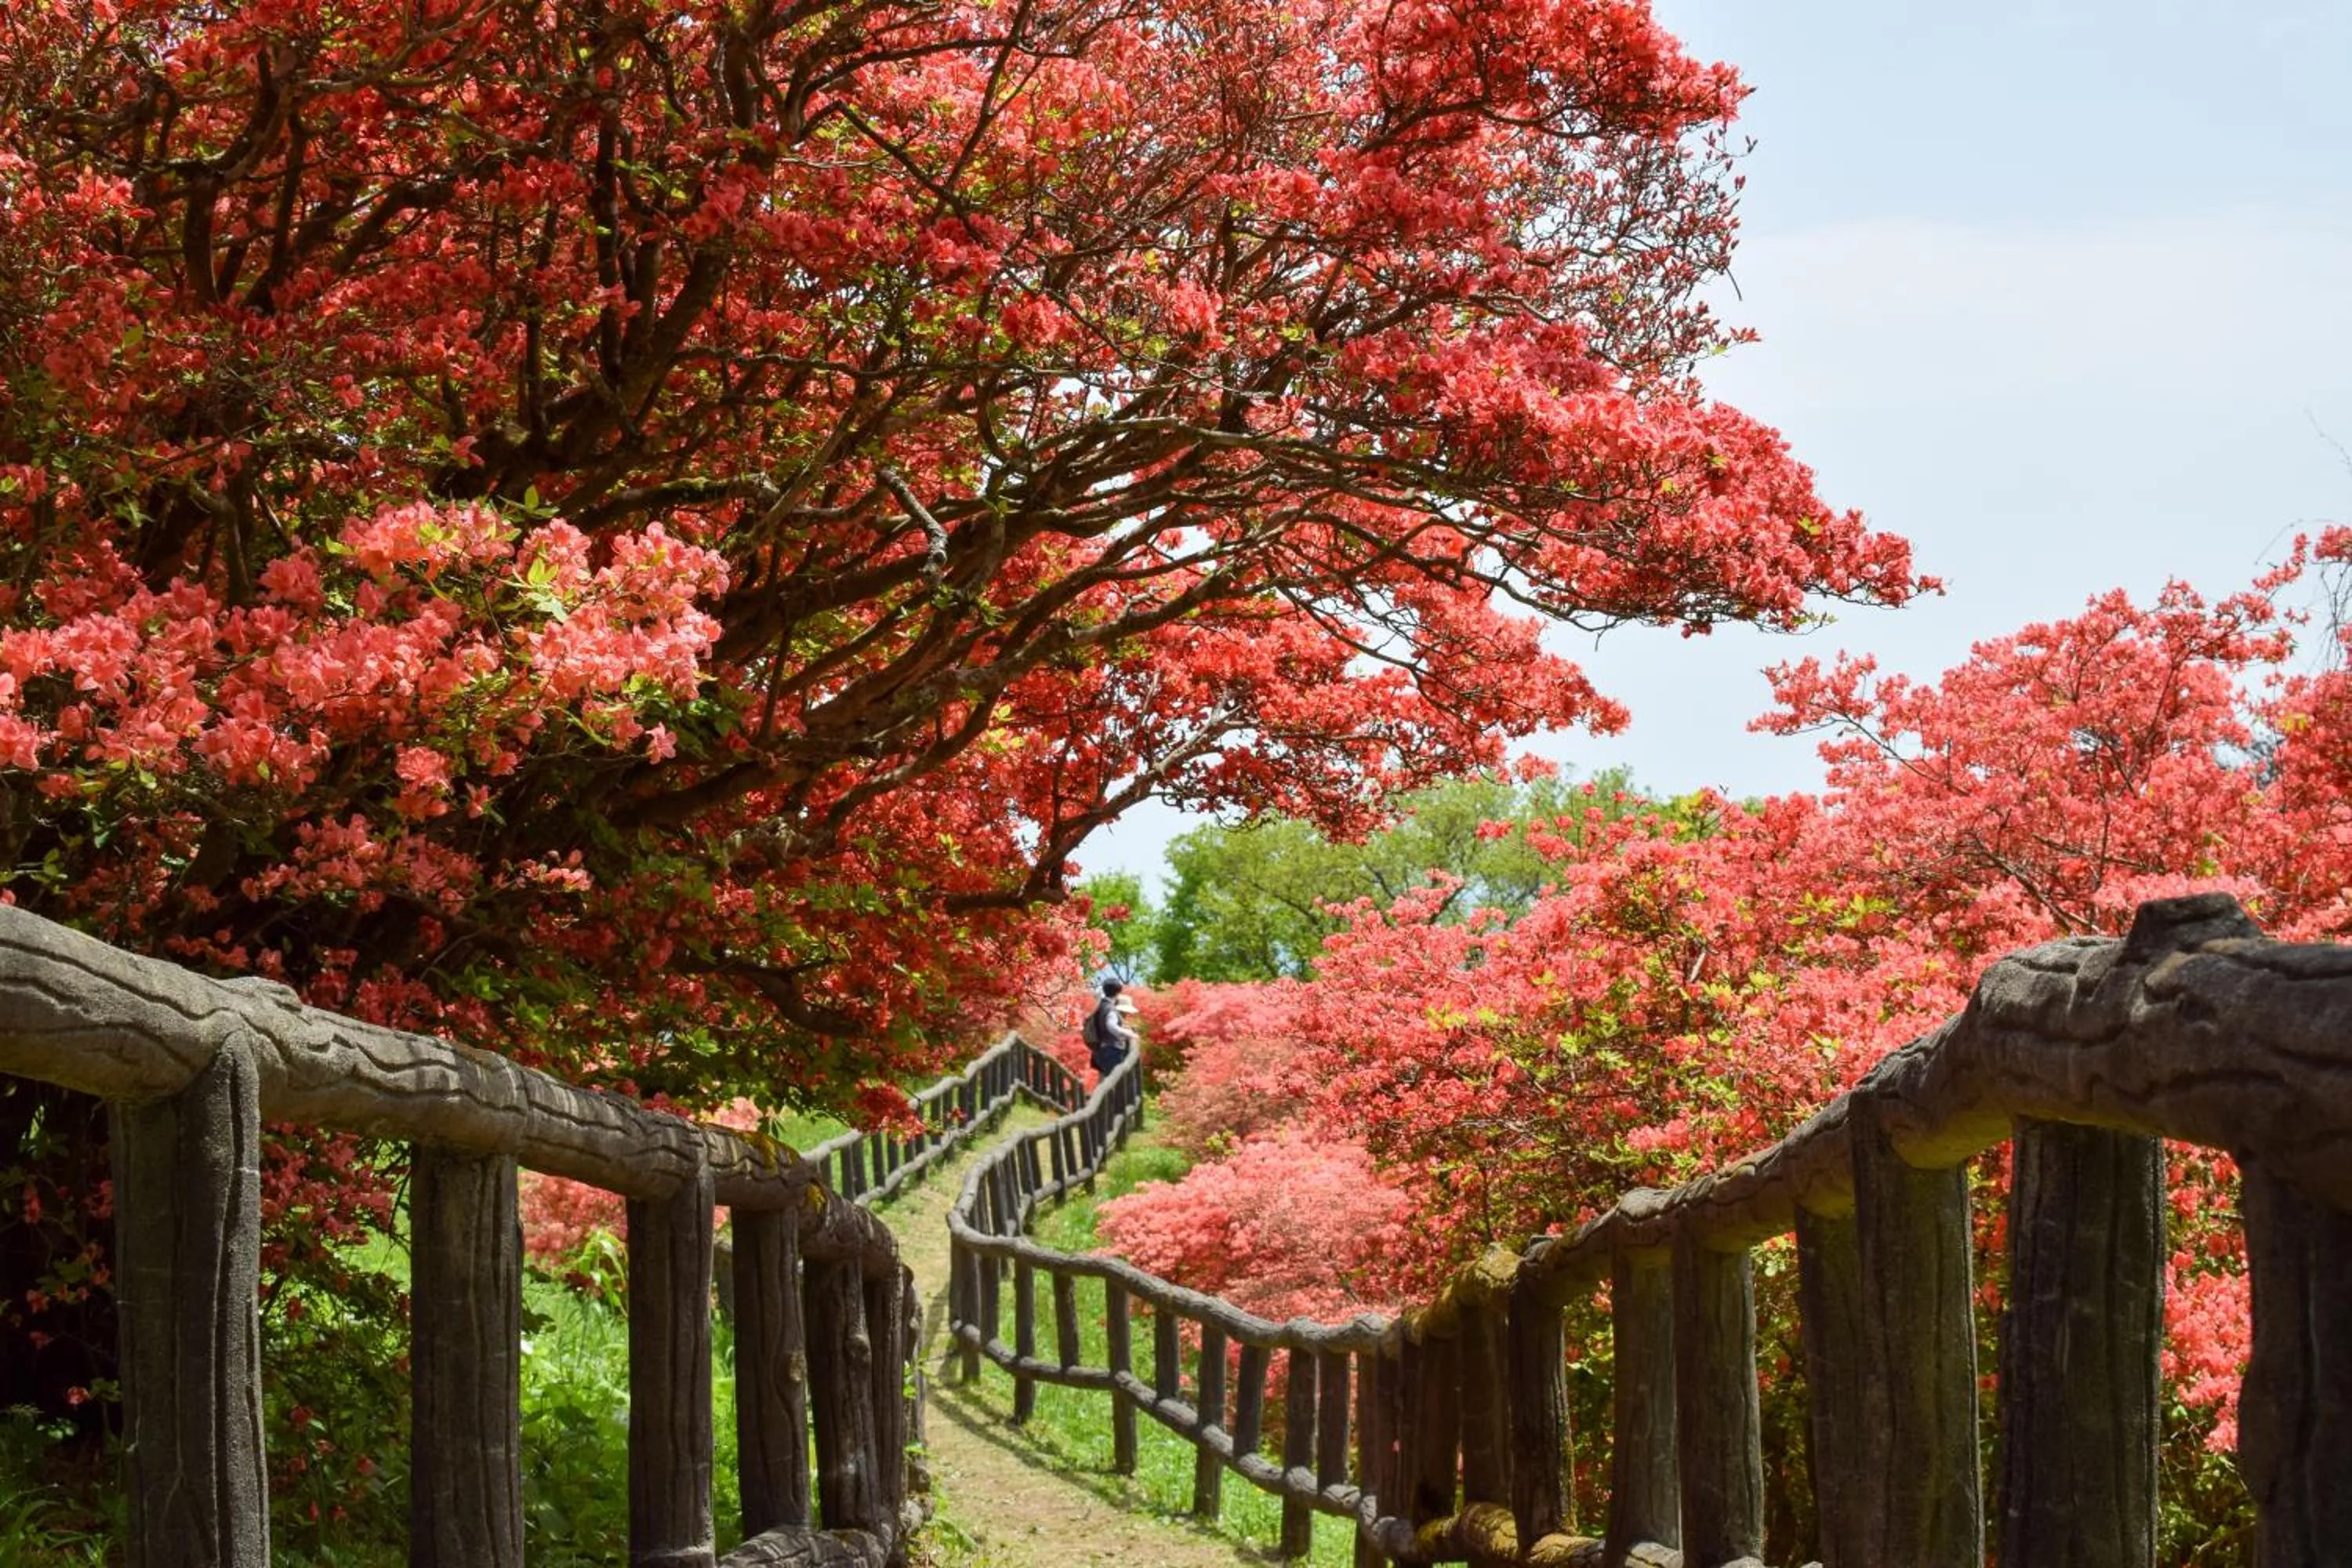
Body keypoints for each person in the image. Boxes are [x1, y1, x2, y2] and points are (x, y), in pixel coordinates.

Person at [1085, 978, 1139, 1075]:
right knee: (1115, 1081)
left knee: (1109, 1079)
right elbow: (1111, 1026)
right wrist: (1130, 1034)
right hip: (1112, 1050)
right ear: (1118, 992)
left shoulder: (1102, 1006)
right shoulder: (1110, 1008)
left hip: (1101, 1049)